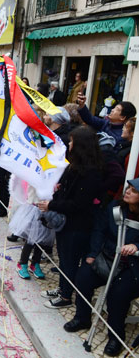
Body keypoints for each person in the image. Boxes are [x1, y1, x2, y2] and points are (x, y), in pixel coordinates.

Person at [62, 179, 139, 356]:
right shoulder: (116, 208)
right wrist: (92, 254)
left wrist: (136, 246)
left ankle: (115, 336)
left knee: (118, 294)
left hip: (132, 267)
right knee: (83, 276)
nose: (127, 192)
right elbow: (99, 230)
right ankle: (82, 318)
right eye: (129, 188)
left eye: (134, 191)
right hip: (109, 258)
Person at [37, 126, 103, 309]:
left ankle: (66, 296)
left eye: (73, 141)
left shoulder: (90, 173)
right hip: (66, 224)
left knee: (70, 260)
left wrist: (51, 205)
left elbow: (78, 204)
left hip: (77, 225)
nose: (69, 144)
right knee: (64, 259)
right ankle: (62, 288)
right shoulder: (74, 165)